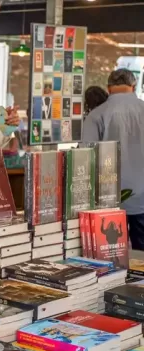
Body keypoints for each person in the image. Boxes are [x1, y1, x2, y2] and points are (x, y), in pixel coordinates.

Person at [83, 69, 144, 250]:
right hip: (143, 196)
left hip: (109, 198)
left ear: (108, 88)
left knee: (112, 254)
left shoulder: (96, 115)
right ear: (133, 86)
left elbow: (86, 155)